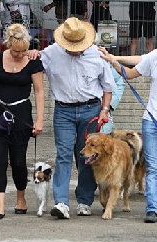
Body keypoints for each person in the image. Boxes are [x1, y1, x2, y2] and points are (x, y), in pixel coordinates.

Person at [99, 33, 157, 223]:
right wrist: (112, 60)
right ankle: (152, 208)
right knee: (153, 167)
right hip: (152, 119)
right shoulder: (154, 58)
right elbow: (131, 73)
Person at [29, 17, 115, 219]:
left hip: (90, 108)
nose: (74, 50)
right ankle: (61, 202)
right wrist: (33, 53)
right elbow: (33, 61)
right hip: (63, 110)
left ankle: (84, 201)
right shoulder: (51, 53)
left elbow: (108, 87)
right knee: (64, 154)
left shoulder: (97, 55)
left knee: (87, 156)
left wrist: (105, 109)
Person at [0, 23, 45, 219]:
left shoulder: (33, 62)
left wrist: (40, 120)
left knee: (18, 161)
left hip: (21, 115)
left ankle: (21, 198)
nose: (19, 55)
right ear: (8, 44)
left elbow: (39, 92)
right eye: (16, 51)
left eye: (24, 50)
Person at [100, 66, 125, 134]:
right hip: (86, 108)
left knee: (104, 138)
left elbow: (119, 84)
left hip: (105, 109)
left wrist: (109, 103)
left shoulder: (108, 66)